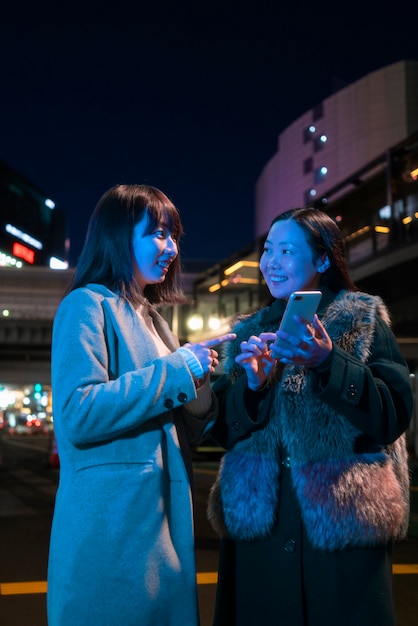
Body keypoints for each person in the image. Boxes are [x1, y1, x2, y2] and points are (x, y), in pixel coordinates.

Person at [207, 207, 413, 626]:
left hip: (341, 537)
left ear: (323, 260)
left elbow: (392, 416)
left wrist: (327, 362)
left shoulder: (362, 320)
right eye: (268, 250)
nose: (271, 262)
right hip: (259, 535)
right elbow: (224, 432)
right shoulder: (249, 332)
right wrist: (253, 385)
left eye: (286, 250)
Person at [47, 183, 235, 626]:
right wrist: (176, 371)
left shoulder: (152, 319)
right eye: (157, 233)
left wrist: (199, 379)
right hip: (112, 531)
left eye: (173, 235)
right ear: (116, 236)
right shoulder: (86, 304)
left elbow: (176, 428)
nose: (170, 247)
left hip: (155, 526)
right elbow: (78, 412)